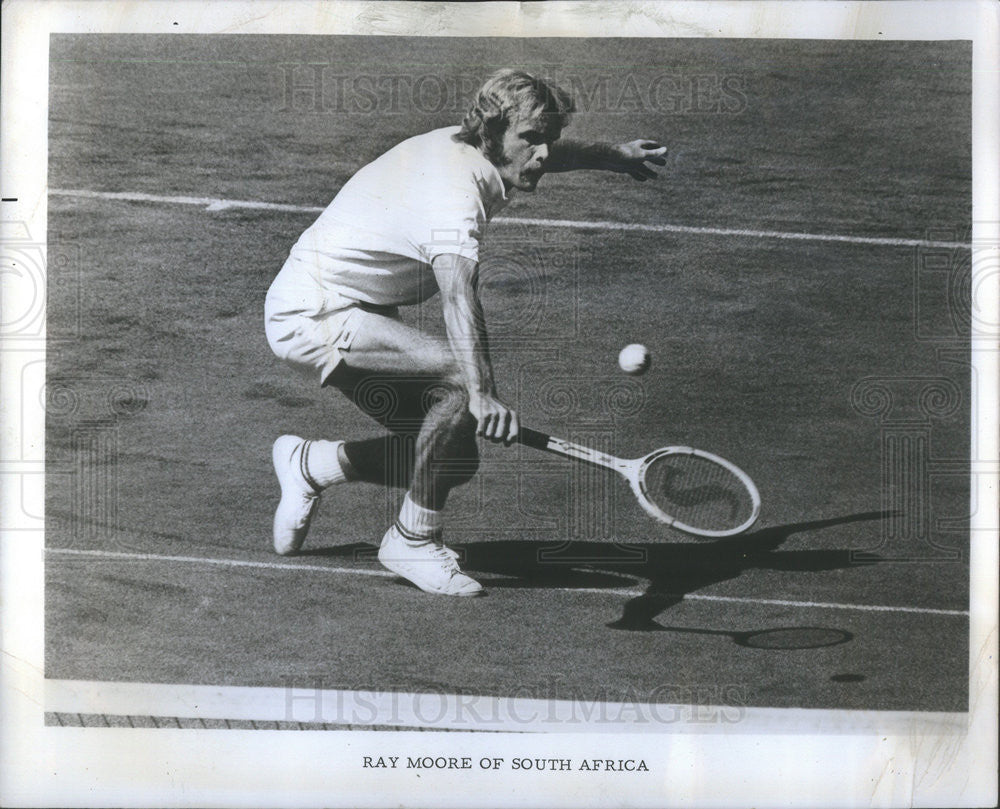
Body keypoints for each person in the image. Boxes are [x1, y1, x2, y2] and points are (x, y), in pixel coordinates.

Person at [265, 69, 666, 596]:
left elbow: (542, 149)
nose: (543, 154)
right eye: (530, 138)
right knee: (458, 382)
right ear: (492, 133)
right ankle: (410, 541)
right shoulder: (453, 195)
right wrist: (480, 392)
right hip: (313, 315)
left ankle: (313, 464)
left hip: (360, 305)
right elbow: (458, 294)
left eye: (550, 139)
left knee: (450, 457)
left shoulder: (481, 149)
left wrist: (612, 155)